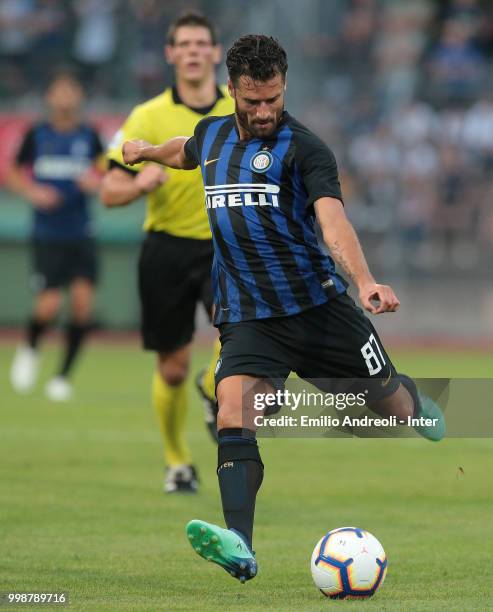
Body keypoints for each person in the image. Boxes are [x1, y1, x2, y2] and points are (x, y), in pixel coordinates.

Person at [122, 35, 445, 582]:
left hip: (318, 310)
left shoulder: (305, 148)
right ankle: (239, 546)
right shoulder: (214, 133)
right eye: (252, 101)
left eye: (273, 98)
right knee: (233, 413)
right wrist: (148, 152)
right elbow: (187, 149)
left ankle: (411, 394)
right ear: (232, 92)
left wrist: (364, 280)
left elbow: (332, 220)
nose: (264, 111)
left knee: (392, 413)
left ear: (283, 86)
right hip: (248, 317)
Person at [101, 12, 234, 494]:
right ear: (171, 54)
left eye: (203, 42)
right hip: (167, 249)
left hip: (227, 247)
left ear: (216, 53)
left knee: (236, 339)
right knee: (171, 367)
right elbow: (109, 191)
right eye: (186, 43)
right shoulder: (146, 115)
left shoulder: (238, 108)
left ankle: (212, 385)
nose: (195, 51)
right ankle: (177, 462)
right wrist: (139, 183)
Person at [7, 71, 103, 402]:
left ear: (79, 96)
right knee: (48, 306)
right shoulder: (37, 133)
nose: (64, 97)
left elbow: (106, 169)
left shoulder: (89, 135)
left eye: (70, 90)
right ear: (49, 97)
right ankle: (31, 347)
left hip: (81, 231)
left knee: (82, 306)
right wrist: (33, 192)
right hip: (48, 232)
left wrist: (97, 181)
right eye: (58, 90)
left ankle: (62, 377)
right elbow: (12, 172)